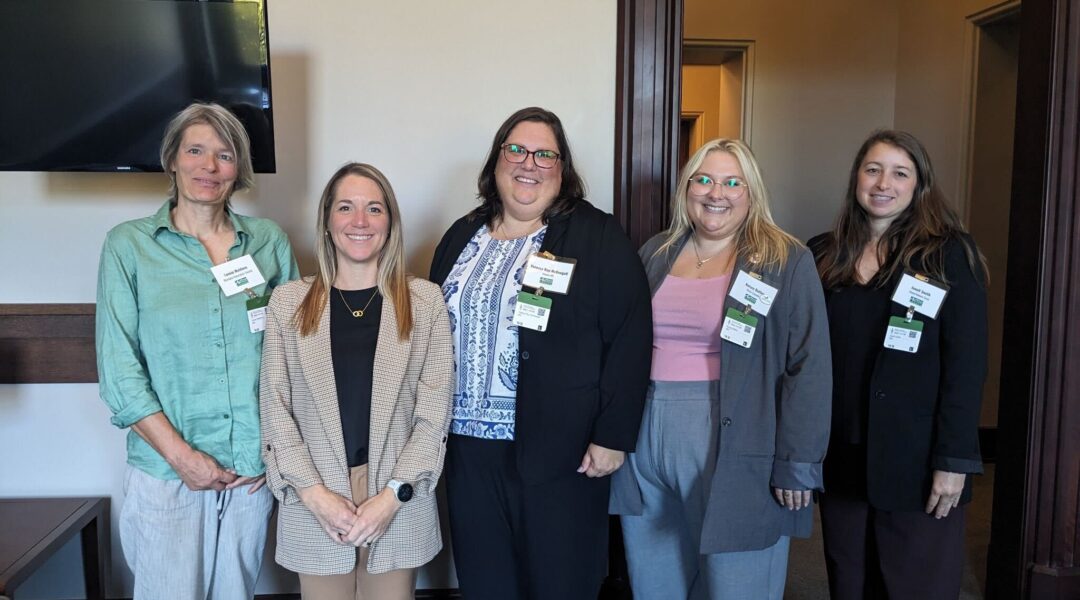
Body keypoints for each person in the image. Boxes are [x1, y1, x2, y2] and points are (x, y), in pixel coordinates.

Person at [428, 106, 652, 600]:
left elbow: (631, 335)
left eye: (544, 154)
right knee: (486, 582)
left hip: (562, 449)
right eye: (516, 150)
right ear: (496, 161)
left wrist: (612, 435)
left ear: (562, 168)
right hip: (467, 448)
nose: (529, 163)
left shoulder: (596, 235)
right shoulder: (461, 235)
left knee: (559, 581)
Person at [610, 138, 832, 600]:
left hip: (737, 435)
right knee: (655, 580)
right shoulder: (656, 252)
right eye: (704, 180)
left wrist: (799, 464)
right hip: (646, 433)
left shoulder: (784, 260)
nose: (717, 193)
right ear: (686, 189)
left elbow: (808, 367)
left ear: (751, 193)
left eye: (733, 182)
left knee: (737, 583)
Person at [95, 102, 299, 599]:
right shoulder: (129, 246)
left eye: (225, 155)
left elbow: (293, 355)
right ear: (172, 160)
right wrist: (183, 457)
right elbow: (119, 370)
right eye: (195, 151)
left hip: (251, 471)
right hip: (168, 473)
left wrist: (275, 454)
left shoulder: (268, 242)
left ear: (239, 169)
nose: (209, 167)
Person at [259, 162, 453, 600]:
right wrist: (313, 494)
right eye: (346, 207)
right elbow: (275, 408)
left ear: (391, 223)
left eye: (374, 209)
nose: (360, 222)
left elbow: (433, 415)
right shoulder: (288, 303)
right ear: (328, 221)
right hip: (316, 495)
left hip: (397, 498)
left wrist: (391, 497)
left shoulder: (424, 302)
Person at [809, 130, 988, 600]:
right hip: (841, 454)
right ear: (856, 180)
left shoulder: (949, 255)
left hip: (918, 459)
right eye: (872, 169)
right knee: (850, 580)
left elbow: (965, 368)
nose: (883, 182)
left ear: (919, 185)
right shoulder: (822, 255)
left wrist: (953, 462)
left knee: (916, 584)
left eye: (899, 172)